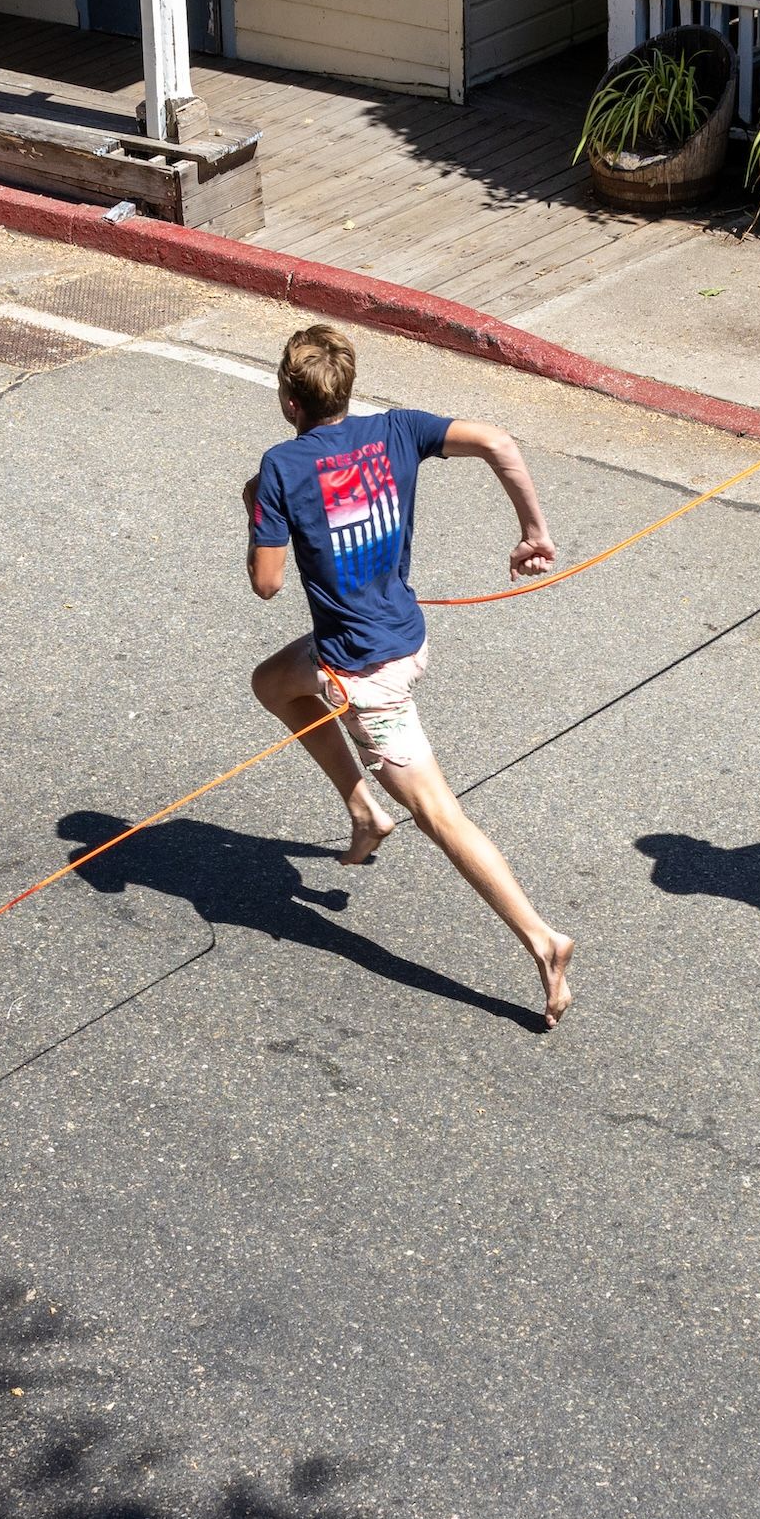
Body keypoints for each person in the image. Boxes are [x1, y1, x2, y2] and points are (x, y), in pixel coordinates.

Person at [246, 324, 577, 1027]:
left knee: (440, 814)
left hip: (365, 673)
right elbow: (498, 441)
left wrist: (258, 507)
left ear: (287, 398)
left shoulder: (281, 467)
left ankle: (543, 940)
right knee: (274, 683)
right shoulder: (394, 430)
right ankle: (364, 809)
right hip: (399, 635)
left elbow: (267, 584)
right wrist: (534, 532)